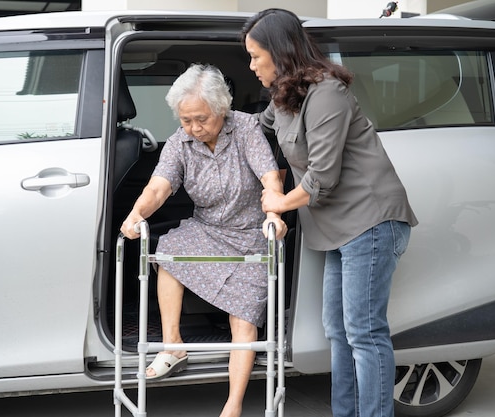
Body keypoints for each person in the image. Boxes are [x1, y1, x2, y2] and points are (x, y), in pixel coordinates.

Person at [242, 9, 418, 417]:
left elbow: (323, 175)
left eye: (255, 56)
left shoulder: (327, 94)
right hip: (337, 228)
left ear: (280, 52)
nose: (251, 65)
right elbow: (255, 127)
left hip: (370, 221)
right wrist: (206, 122)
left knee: (364, 332)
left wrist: (279, 202)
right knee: (339, 333)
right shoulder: (284, 97)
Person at [120, 63, 286, 417]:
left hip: (250, 233)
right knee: (168, 252)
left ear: (221, 109)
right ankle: (173, 345)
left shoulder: (245, 129)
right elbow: (159, 186)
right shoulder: (181, 143)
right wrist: (137, 214)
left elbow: (270, 177)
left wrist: (274, 213)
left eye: (201, 119)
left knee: (242, 319)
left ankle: (233, 406)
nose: (193, 128)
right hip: (207, 229)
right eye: (185, 120)